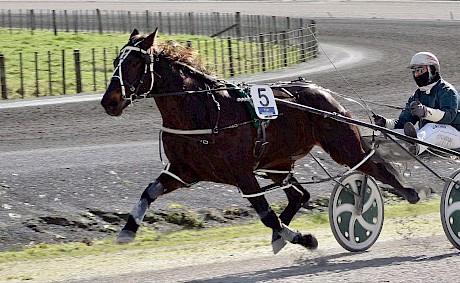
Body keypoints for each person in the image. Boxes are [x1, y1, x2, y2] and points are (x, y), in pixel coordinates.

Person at [373, 51, 460, 154]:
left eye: (419, 70)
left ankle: (415, 146)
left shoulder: (447, 91)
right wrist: (385, 123)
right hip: (431, 135)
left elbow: (449, 116)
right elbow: (403, 122)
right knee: (393, 134)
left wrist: (425, 112)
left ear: (432, 70)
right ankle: (375, 151)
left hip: (455, 133)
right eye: (414, 71)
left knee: (430, 128)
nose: (416, 74)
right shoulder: (417, 95)